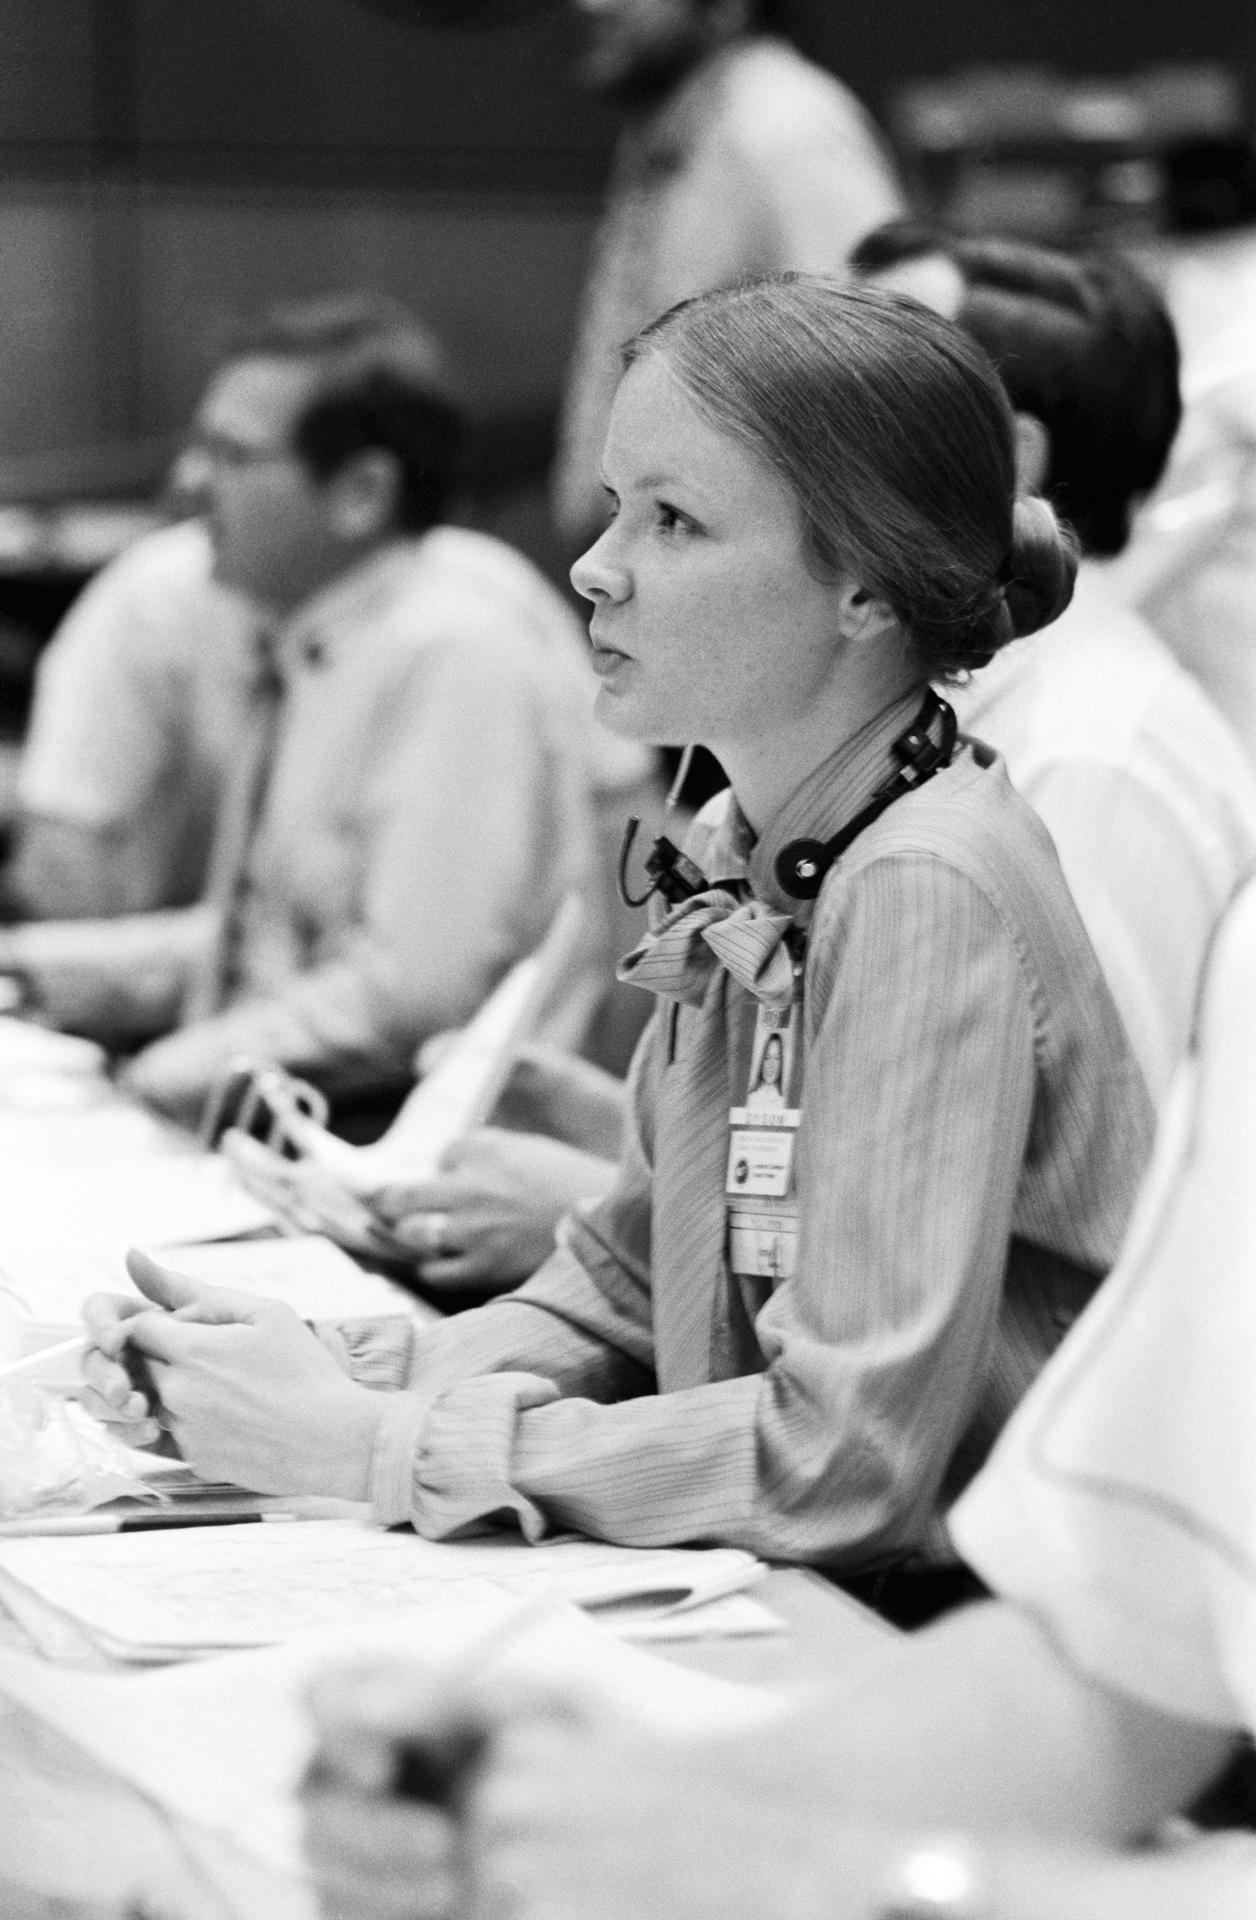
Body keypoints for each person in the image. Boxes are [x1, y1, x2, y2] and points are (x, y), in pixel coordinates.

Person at [81, 278, 1152, 1590]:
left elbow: (845, 1468)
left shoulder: (926, 879)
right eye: (613, 505)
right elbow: (629, 1280)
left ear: (865, 592)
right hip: (804, 1588)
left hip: (953, 1629)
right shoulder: (749, 843)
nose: (594, 565)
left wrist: (376, 1443)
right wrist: (318, 1371)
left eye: (675, 521)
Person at [298, 874, 1256, 1920]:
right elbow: (1116, 1659)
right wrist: (635, 1800)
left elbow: (838, 1447)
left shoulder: (933, 884)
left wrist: (846, 1878)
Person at [0, 293, 606, 1122]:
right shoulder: (320, 637)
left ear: (360, 491)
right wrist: (29, 968)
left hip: (400, 1145)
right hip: (299, 1113)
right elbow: (262, 944)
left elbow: (410, 997)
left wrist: (153, 1082)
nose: (186, 483)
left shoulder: (454, 649)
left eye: (227, 454)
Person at [854, 225, 1256, 1106]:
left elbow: (1107, 1199)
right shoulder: (967, 706)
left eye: (864, 390)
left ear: (1006, 463)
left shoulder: (1089, 767)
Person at [553, 0, 905, 554]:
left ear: (728, 8)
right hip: (653, 554)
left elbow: (890, 372)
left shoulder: (786, 130)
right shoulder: (674, 120)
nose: (593, 5)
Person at [4, 518, 259, 921]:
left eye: (233, 456)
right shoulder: (163, 589)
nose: (191, 477)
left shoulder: (380, 633)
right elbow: (63, 875)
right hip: (160, 950)